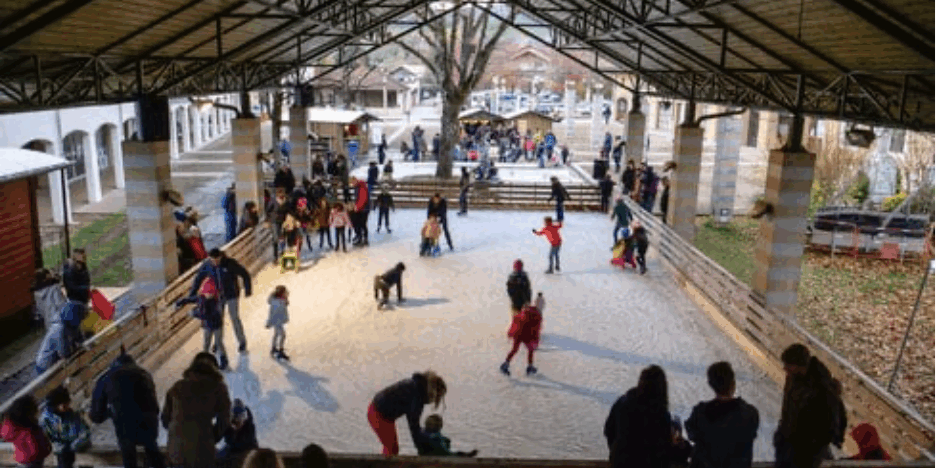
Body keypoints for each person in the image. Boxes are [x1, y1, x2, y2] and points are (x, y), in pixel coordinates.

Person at [774, 344, 846, 468]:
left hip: (806, 451)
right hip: (788, 442)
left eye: (788, 365)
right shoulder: (792, 378)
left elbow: (830, 421)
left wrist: (813, 446)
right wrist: (781, 435)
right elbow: (788, 408)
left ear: (798, 365)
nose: (784, 368)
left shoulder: (822, 389)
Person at [89, 352, 165, 468]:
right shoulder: (144, 373)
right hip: (149, 421)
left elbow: (96, 415)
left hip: (124, 424)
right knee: (152, 449)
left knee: (128, 453)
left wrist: (109, 413)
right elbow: (154, 405)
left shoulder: (106, 377)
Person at [161, 353, 232, 468]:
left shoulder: (178, 386)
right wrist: (211, 437)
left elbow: (165, 419)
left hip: (176, 451)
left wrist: (178, 432)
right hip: (202, 451)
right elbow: (224, 419)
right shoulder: (218, 388)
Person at [685, 362, 759, 468]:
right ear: (733, 383)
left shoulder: (699, 413)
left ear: (711, 384)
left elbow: (692, 433)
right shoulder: (750, 413)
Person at [604, 365, 672, 468]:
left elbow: (608, 430)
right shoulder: (661, 414)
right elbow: (663, 449)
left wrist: (617, 450)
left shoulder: (622, 403)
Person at [367, 371, 447, 455]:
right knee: (391, 448)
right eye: (436, 397)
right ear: (433, 392)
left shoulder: (418, 385)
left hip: (383, 413)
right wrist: (422, 450)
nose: (434, 401)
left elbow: (414, 425)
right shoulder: (417, 396)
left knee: (392, 447)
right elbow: (414, 426)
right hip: (378, 414)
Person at [190, 248, 252, 354]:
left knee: (235, 318)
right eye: (213, 260)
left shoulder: (229, 263)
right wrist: (192, 294)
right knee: (218, 320)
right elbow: (198, 278)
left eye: (217, 259)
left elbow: (244, 273)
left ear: (220, 256)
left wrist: (247, 289)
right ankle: (218, 342)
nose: (215, 262)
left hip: (232, 295)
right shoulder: (207, 265)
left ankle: (242, 342)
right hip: (217, 297)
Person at [39, 386, 90, 468]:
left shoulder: (72, 415)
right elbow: (46, 438)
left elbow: (84, 431)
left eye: (67, 403)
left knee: (86, 461)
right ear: (55, 405)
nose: (66, 406)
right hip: (61, 449)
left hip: (76, 445)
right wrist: (59, 446)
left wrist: (77, 443)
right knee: (64, 459)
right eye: (63, 404)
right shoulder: (46, 419)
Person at [33, 269, 69, 375]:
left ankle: (57, 372)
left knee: (53, 345)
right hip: (59, 320)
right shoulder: (54, 288)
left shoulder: (37, 293)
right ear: (47, 276)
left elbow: (39, 311)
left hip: (49, 323)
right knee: (61, 344)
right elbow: (61, 304)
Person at [500, 293, 544, 376]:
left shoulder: (521, 313)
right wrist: (536, 341)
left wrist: (510, 333)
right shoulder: (537, 317)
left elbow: (515, 323)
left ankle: (505, 364)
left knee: (514, 349)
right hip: (528, 336)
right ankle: (530, 367)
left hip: (518, 334)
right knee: (530, 350)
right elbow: (536, 330)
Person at [1, 395, 51, 468]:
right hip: (33, 460)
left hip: (22, 459)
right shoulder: (30, 429)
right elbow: (37, 448)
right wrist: (47, 449)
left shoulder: (12, 426)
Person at [216, 399, 259, 468]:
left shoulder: (249, 432)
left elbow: (242, 444)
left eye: (240, 418)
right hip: (232, 451)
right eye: (235, 420)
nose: (237, 423)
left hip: (245, 452)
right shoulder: (230, 430)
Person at [266, 285, 290, 361]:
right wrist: (269, 322)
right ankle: (280, 350)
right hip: (277, 322)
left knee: (276, 334)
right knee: (282, 335)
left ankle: (274, 348)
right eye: (284, 292)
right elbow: (272, 313)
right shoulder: (277, 302)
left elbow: (284, 310)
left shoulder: (281, 300)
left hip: (278, 321)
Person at [351, 177, 370, 246]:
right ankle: (360, 238)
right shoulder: (358, 187)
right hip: (360, 208)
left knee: (362, 224)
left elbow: (363, 199)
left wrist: (357, 207)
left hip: (364, 209)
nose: (352, 184)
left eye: (352, 183)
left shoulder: (362, 187)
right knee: (358, 224)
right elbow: (358, 198)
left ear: (356, 181)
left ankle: (365, 239)